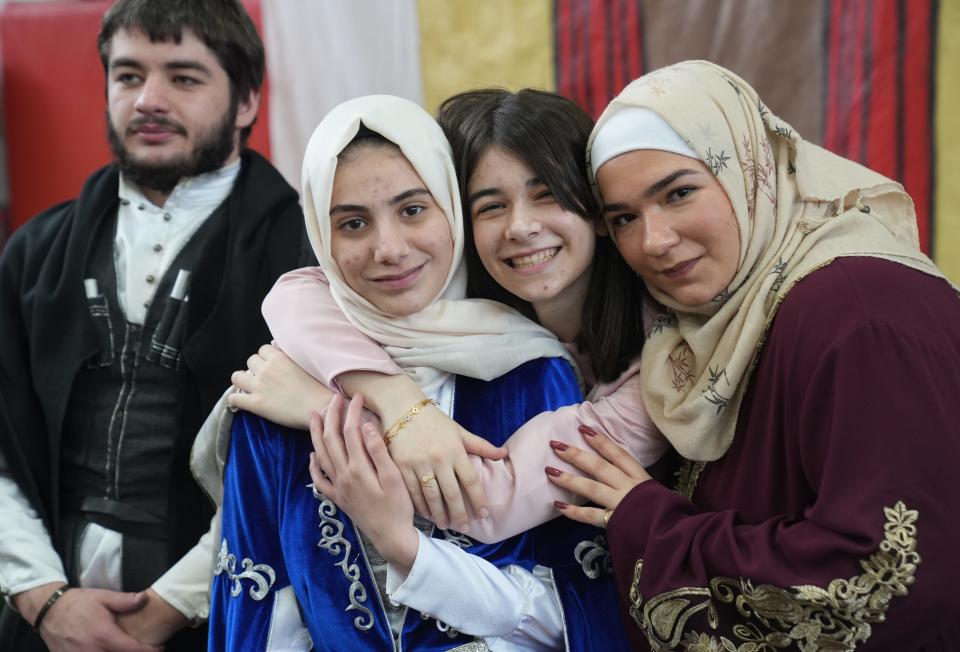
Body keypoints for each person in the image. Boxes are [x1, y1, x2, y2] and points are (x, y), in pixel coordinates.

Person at [542, 60, 960, 650]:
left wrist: (650, 524)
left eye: (679, 193)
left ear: (751, 170)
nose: (653, 241)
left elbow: (886, 580)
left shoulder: (862, 315)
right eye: (624, 218)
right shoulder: (705, 324)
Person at [203, 95, 630, 650]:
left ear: (450, 207)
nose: (389, 248)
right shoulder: (280, 384)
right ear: (320, 237)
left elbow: (573, 610)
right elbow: (259, 607)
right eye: (352, 223)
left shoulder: (530, 371)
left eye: (412, 210)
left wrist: (402, 539)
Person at [0, 1, 309, 650]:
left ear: (247, 101)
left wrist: (167, 609)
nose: (149, 99)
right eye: (129, 75)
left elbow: (303, 468)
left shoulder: (303, 258)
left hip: (229, 614)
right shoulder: (32, 253)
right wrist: (43, 598)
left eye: (184, 77)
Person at [240, 89, 667, 545]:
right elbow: (296, 291)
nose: (520, 227)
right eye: (491, 206)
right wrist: (399, 399)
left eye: (547, 195)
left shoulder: (660, 366)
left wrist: (332, 412)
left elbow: (483, 501)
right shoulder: (468, 305)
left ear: (597, 209)